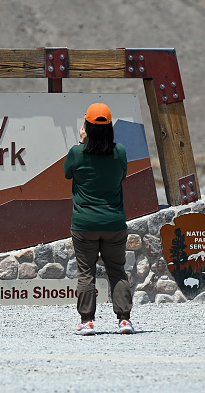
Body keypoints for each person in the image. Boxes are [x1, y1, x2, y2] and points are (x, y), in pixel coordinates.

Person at [63, 102, 134, 335]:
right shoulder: (120, 152)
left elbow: (67, 174)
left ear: (87, 127)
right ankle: (124, 320)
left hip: (84, 224)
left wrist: (82, 143)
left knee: (86, 272)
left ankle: (87, 322)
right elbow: (122, 175)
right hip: (114, 222)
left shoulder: (77, 152)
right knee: (117, 270)